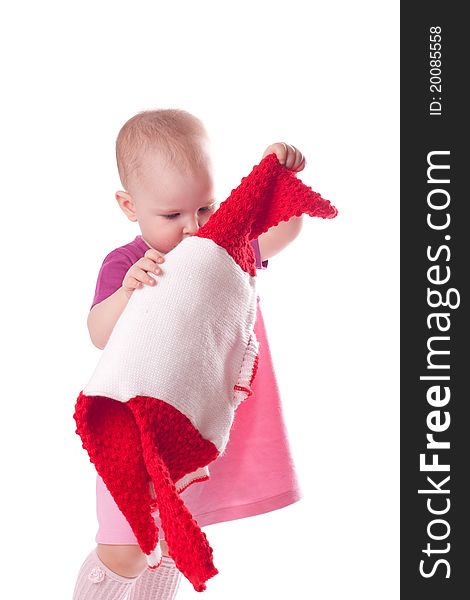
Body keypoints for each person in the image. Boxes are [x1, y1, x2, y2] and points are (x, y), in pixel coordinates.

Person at [72, 109, 306, 599]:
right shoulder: (129, 264)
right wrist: (127, 293)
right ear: (129, 205)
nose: (192, 227)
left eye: (205, 208)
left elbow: (280, 232)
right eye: (172, 215)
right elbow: (98, 332)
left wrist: (276, 180)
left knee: (173, 540)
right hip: (137, 426)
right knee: (126, 546)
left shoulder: (222, 249)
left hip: (195, 422)